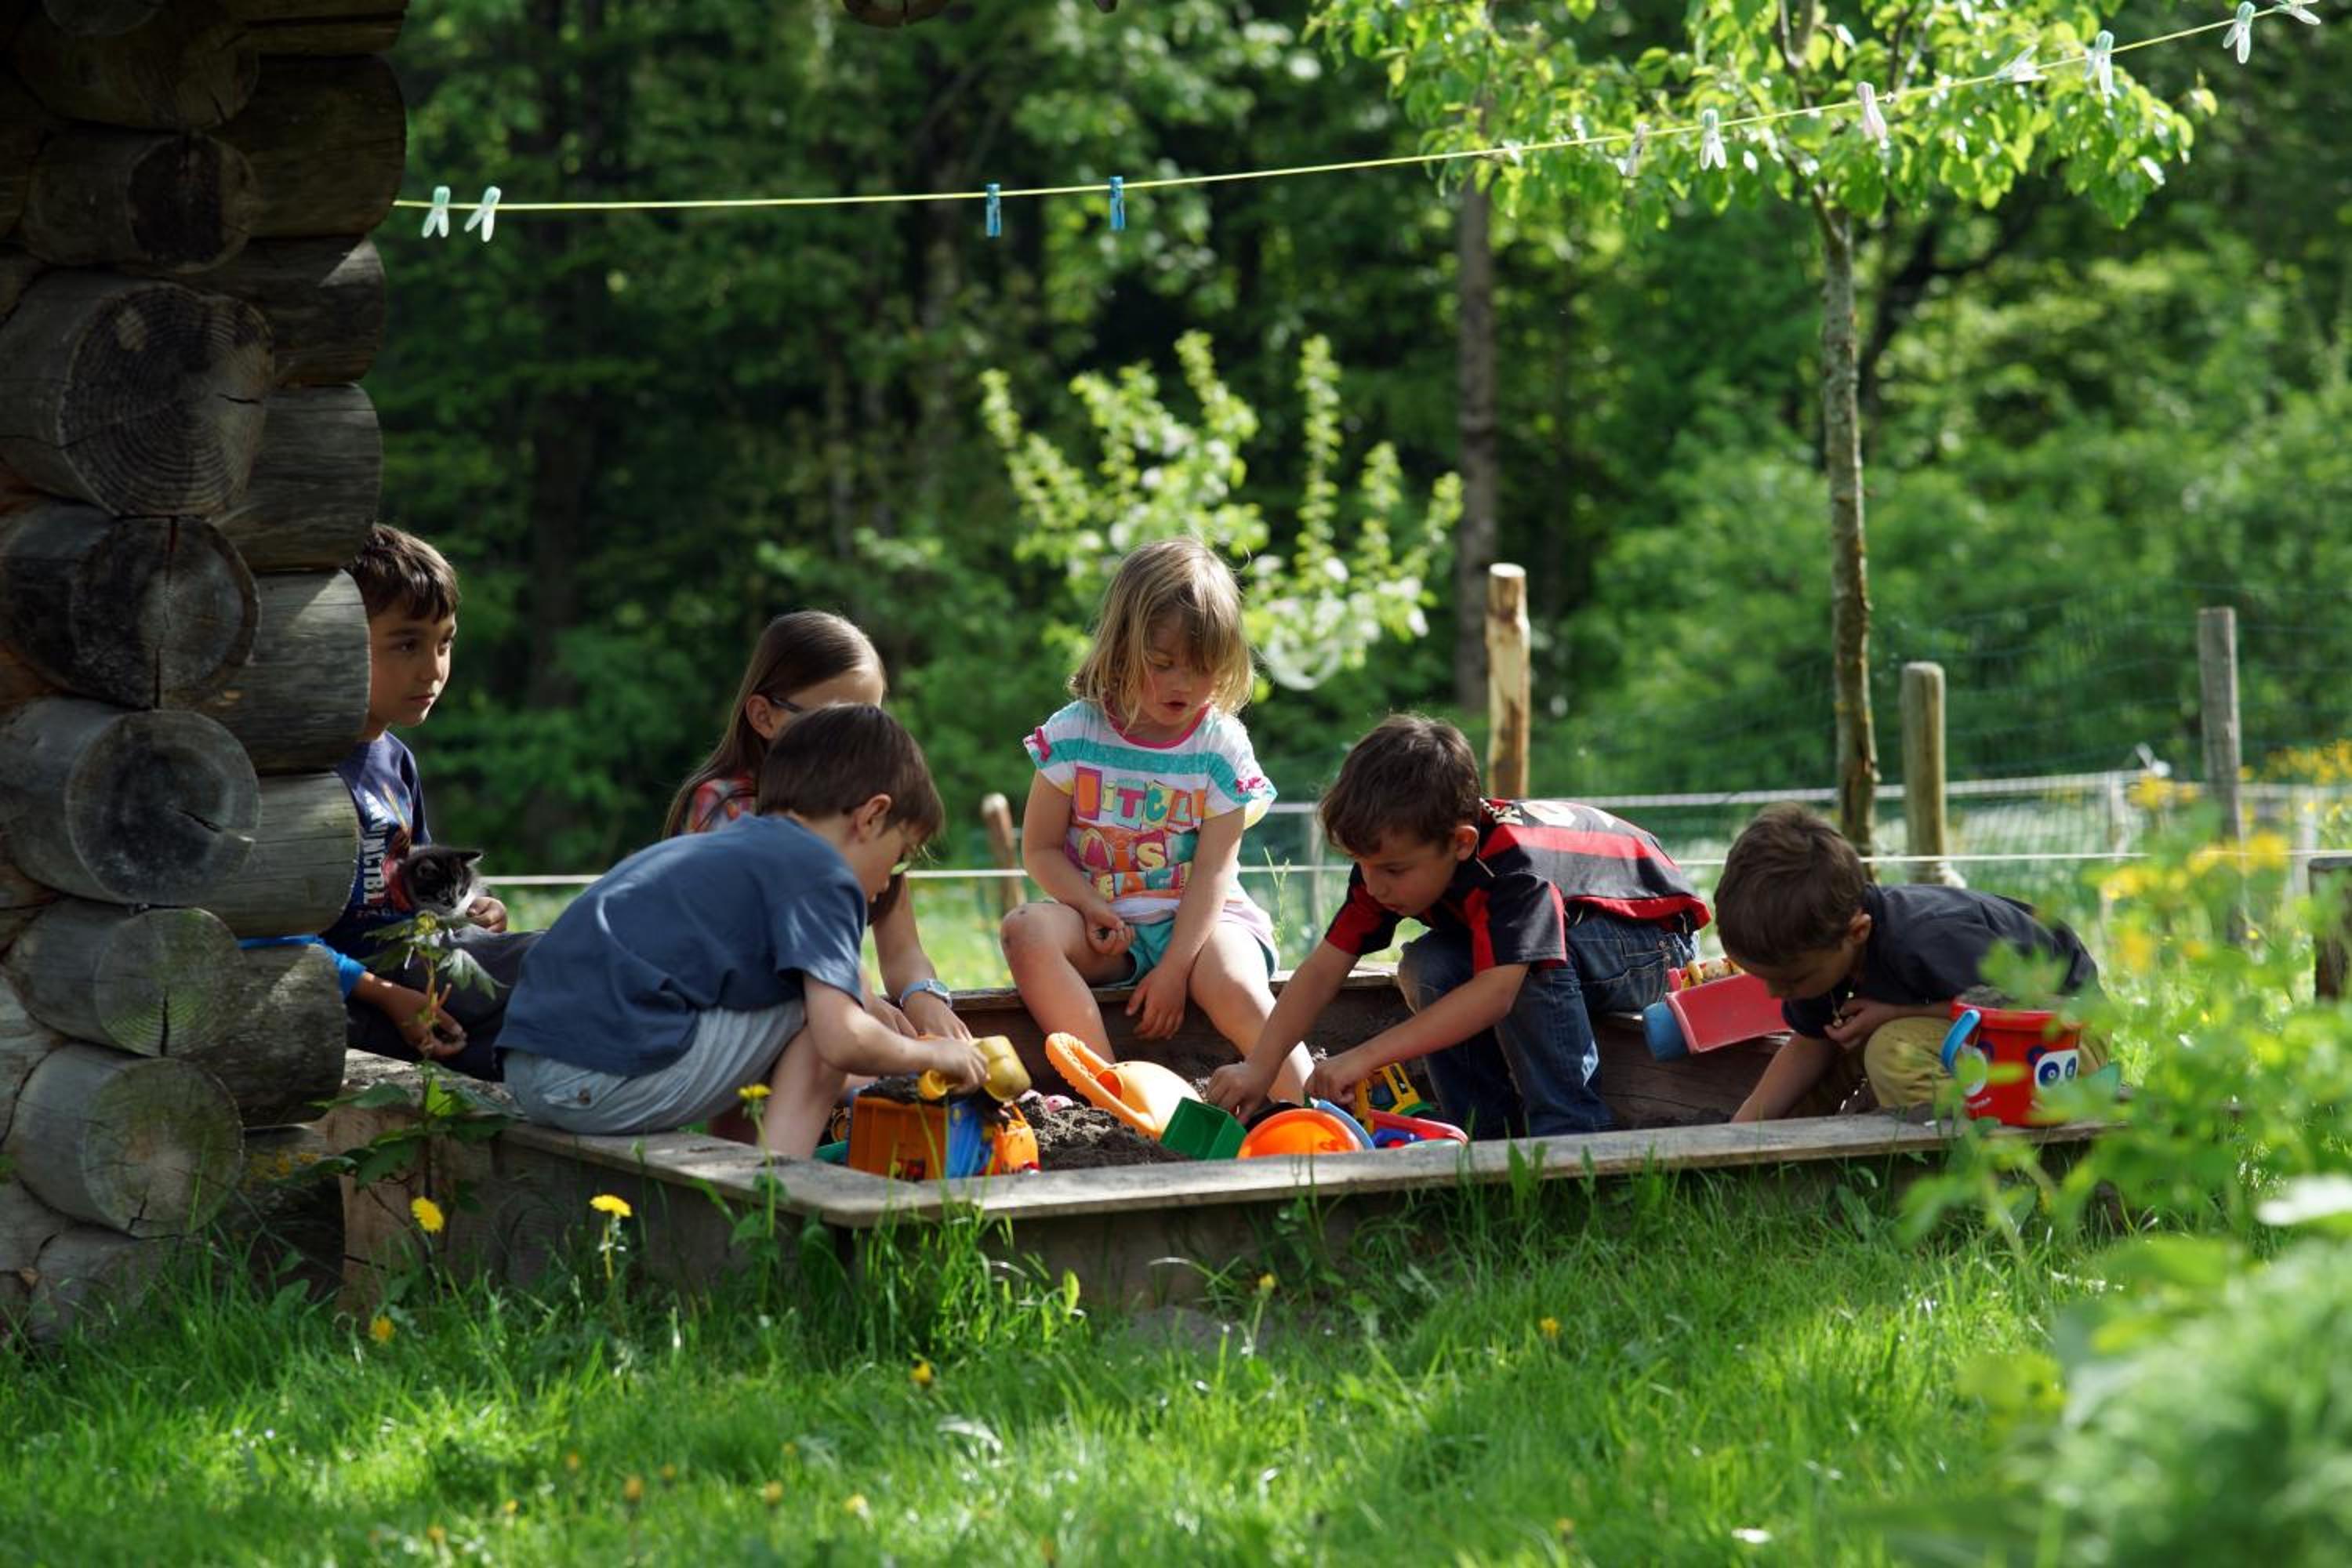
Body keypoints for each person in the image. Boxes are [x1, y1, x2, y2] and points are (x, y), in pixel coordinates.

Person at [499, 706, 985, 1157]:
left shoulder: (740, 846)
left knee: (793, 991)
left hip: (528, 1066)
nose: (886, 884)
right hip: (594, 1080)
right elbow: (842, 1039)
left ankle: (743, 1167)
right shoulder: (822, 871)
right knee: (831, 1005)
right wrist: (930, 1054)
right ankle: (778, 1198)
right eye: (899, 855)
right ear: (872, 815)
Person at [1206, 716, 1705, 1138]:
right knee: (1430, 964)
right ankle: (1485, 1137)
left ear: (1462, 843)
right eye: (1365, 864)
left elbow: (1495, 994)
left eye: (1394, 871)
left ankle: (1571, 1136)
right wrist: (1261, 1065)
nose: (1375, 885)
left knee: (1525, 960)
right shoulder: (1391, 861)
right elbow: (1322, 971)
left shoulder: (1513, 866)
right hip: (1576, 940)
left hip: (1652, 945)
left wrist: (1366, 1055)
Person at [999, 537, 1309, 1098]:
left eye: (1203, 668)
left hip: (1207, 926)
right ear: (1121, 649)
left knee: (1238, 984)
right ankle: (1112, 1091)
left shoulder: (1220, 746)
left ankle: (1314, 1106)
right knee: (1025, 931)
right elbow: (1041, 848)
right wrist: (1090, 905)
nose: (1184, 685)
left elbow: (1215, 871)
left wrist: (1174, 971)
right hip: (1109, 927)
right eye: (1163, 664)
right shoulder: (1075, 734)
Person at [664, 609, 969, 1043]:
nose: (857, 743)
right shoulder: (728, 807)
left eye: (870, 720)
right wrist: (856, 999)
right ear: (764, 716)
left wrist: (925, 998)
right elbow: (760, 951)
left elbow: (902, 950)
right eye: (834, 718)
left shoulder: (874, 812)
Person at [300, 526, 535, 1080]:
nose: (432, 669)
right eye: (407, 644)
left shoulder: (396, 760)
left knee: (555, 989)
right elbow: (262, 927)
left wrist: (472, 906)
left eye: (445, 643)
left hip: (416, 979)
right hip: (344, 1000)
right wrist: (381, 995)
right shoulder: (294, 770)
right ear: (335, 641)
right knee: (547, 965)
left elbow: (419, 885)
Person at [1711, 803, 2102, 1121]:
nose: (1776, 993)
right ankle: (1777, 1169)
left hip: (2061, 1035)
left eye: (1793, 981)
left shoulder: (1932, 937)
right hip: (1978, 1035)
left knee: (1891, 1049)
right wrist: (1739, 1133)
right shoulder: (1817, 947)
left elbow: (2018, 1009)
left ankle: (1974, 1164)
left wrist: (1894, 1013)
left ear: (1858, 932)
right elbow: (1809, 1047)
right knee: (1832, 1054)